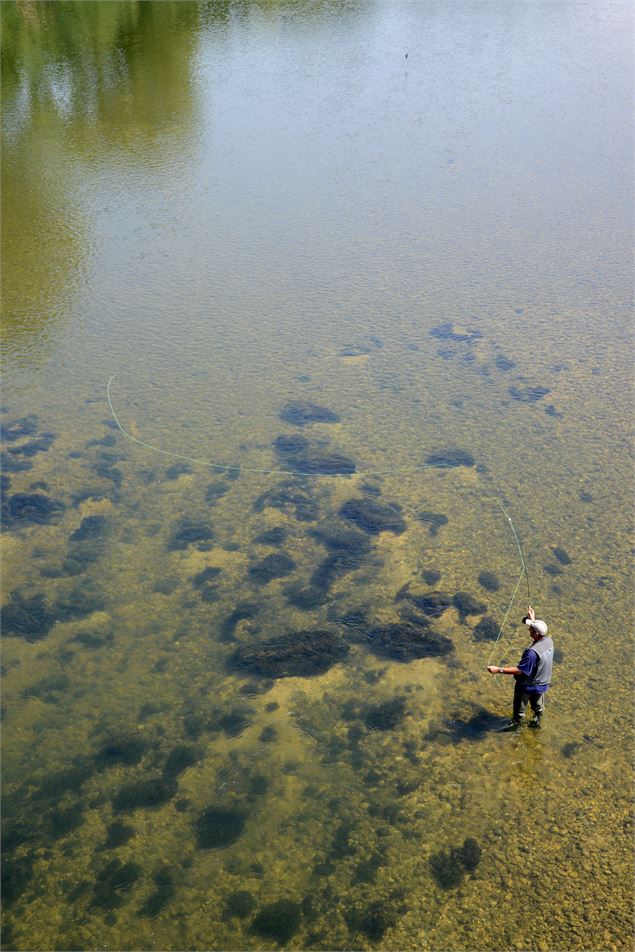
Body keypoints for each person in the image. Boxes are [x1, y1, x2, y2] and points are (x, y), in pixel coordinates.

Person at [487, 605, 553, 730]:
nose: (529, 630)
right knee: (538, 709)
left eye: (531, 629)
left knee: (518, 714)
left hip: (526, 687)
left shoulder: (531, 653)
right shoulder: (549, 640)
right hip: (542, 685)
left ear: (536, 634)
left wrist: (498, 670)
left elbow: (521, 670)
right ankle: (536, 725)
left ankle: (516, 729)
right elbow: (538, 632)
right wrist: (532, 620)